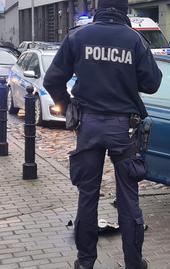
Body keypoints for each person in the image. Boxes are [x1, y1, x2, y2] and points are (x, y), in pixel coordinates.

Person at [43, 0, 161, 268]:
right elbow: (153, 83)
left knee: (88, 196)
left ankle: (85, 262)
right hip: (124, 129)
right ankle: (133, 262)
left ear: (98, 7)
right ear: (124, 10)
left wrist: (67, 105)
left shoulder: (79, 36)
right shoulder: (135, 40)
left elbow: (52, 80)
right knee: (129, 199)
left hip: (89, 126)